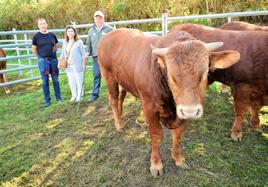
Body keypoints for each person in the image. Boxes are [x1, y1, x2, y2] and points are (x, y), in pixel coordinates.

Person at [32, 18, 63, 107]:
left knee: (55, 80)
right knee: (45, 81)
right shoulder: (36, 36)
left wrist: (52, 54)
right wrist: (40, 57)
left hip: (53, 60)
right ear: (38, 26)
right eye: (41, 24)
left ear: (47, 24)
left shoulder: (52, 35)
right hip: (43, 61)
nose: (43, 25)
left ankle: (59, 98)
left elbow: (56, 46)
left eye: (44, 23)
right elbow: (34, 49)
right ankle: (47, 100)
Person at [86, 10, 113, 103]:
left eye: (100, 18)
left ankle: (112, 93)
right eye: (96, 18)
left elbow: (114, 43)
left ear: (103, 18)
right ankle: (95, 94)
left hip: (107, 57)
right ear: (94, 19)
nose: (98, 19)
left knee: (110, 75)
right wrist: (87, 52)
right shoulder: (91, 30)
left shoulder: (109, 29)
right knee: (96, 75)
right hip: (96, 56)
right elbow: (88, 43)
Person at [60, 26, 87, 102]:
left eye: (72, 31)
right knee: (71, 81)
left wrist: (83, 64)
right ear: (66, 33)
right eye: (68, 31)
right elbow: (63, 53)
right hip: (68, 65)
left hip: (77, 64)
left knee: (79, 80)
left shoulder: (79, 42)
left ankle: (80, 95)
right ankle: (74, 95)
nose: (70, 33)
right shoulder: (65, 42)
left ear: (74, 33)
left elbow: (83, 54)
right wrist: (60, 62)